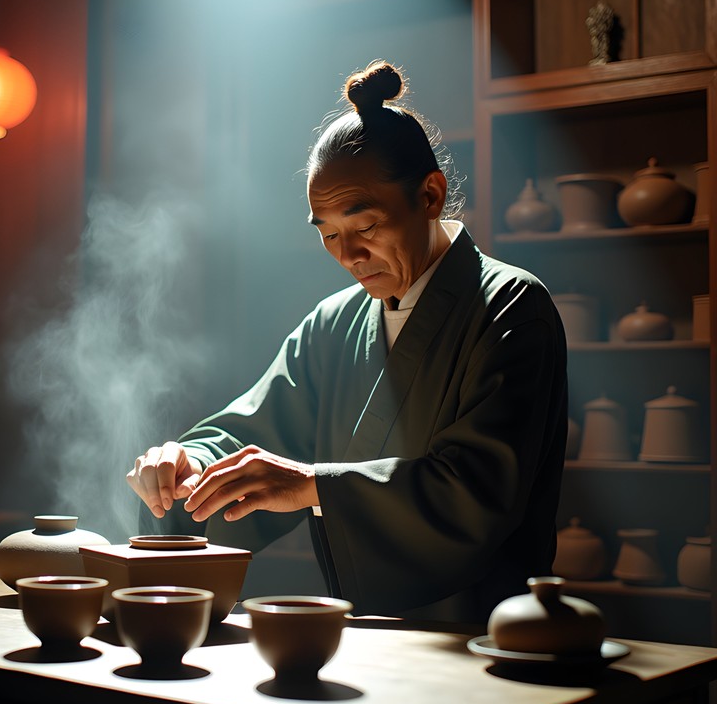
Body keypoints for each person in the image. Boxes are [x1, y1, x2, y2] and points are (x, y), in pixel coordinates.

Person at [125, 60, 567, 624]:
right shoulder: (334, 324)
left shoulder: (511, 307)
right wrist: (190, 466)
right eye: (329, 234)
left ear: (431, 195)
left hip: (490, 638)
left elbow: (476, 490)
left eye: (365, 226)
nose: (348, 255)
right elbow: (253, 433)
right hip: (359, 635)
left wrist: (313, 485)